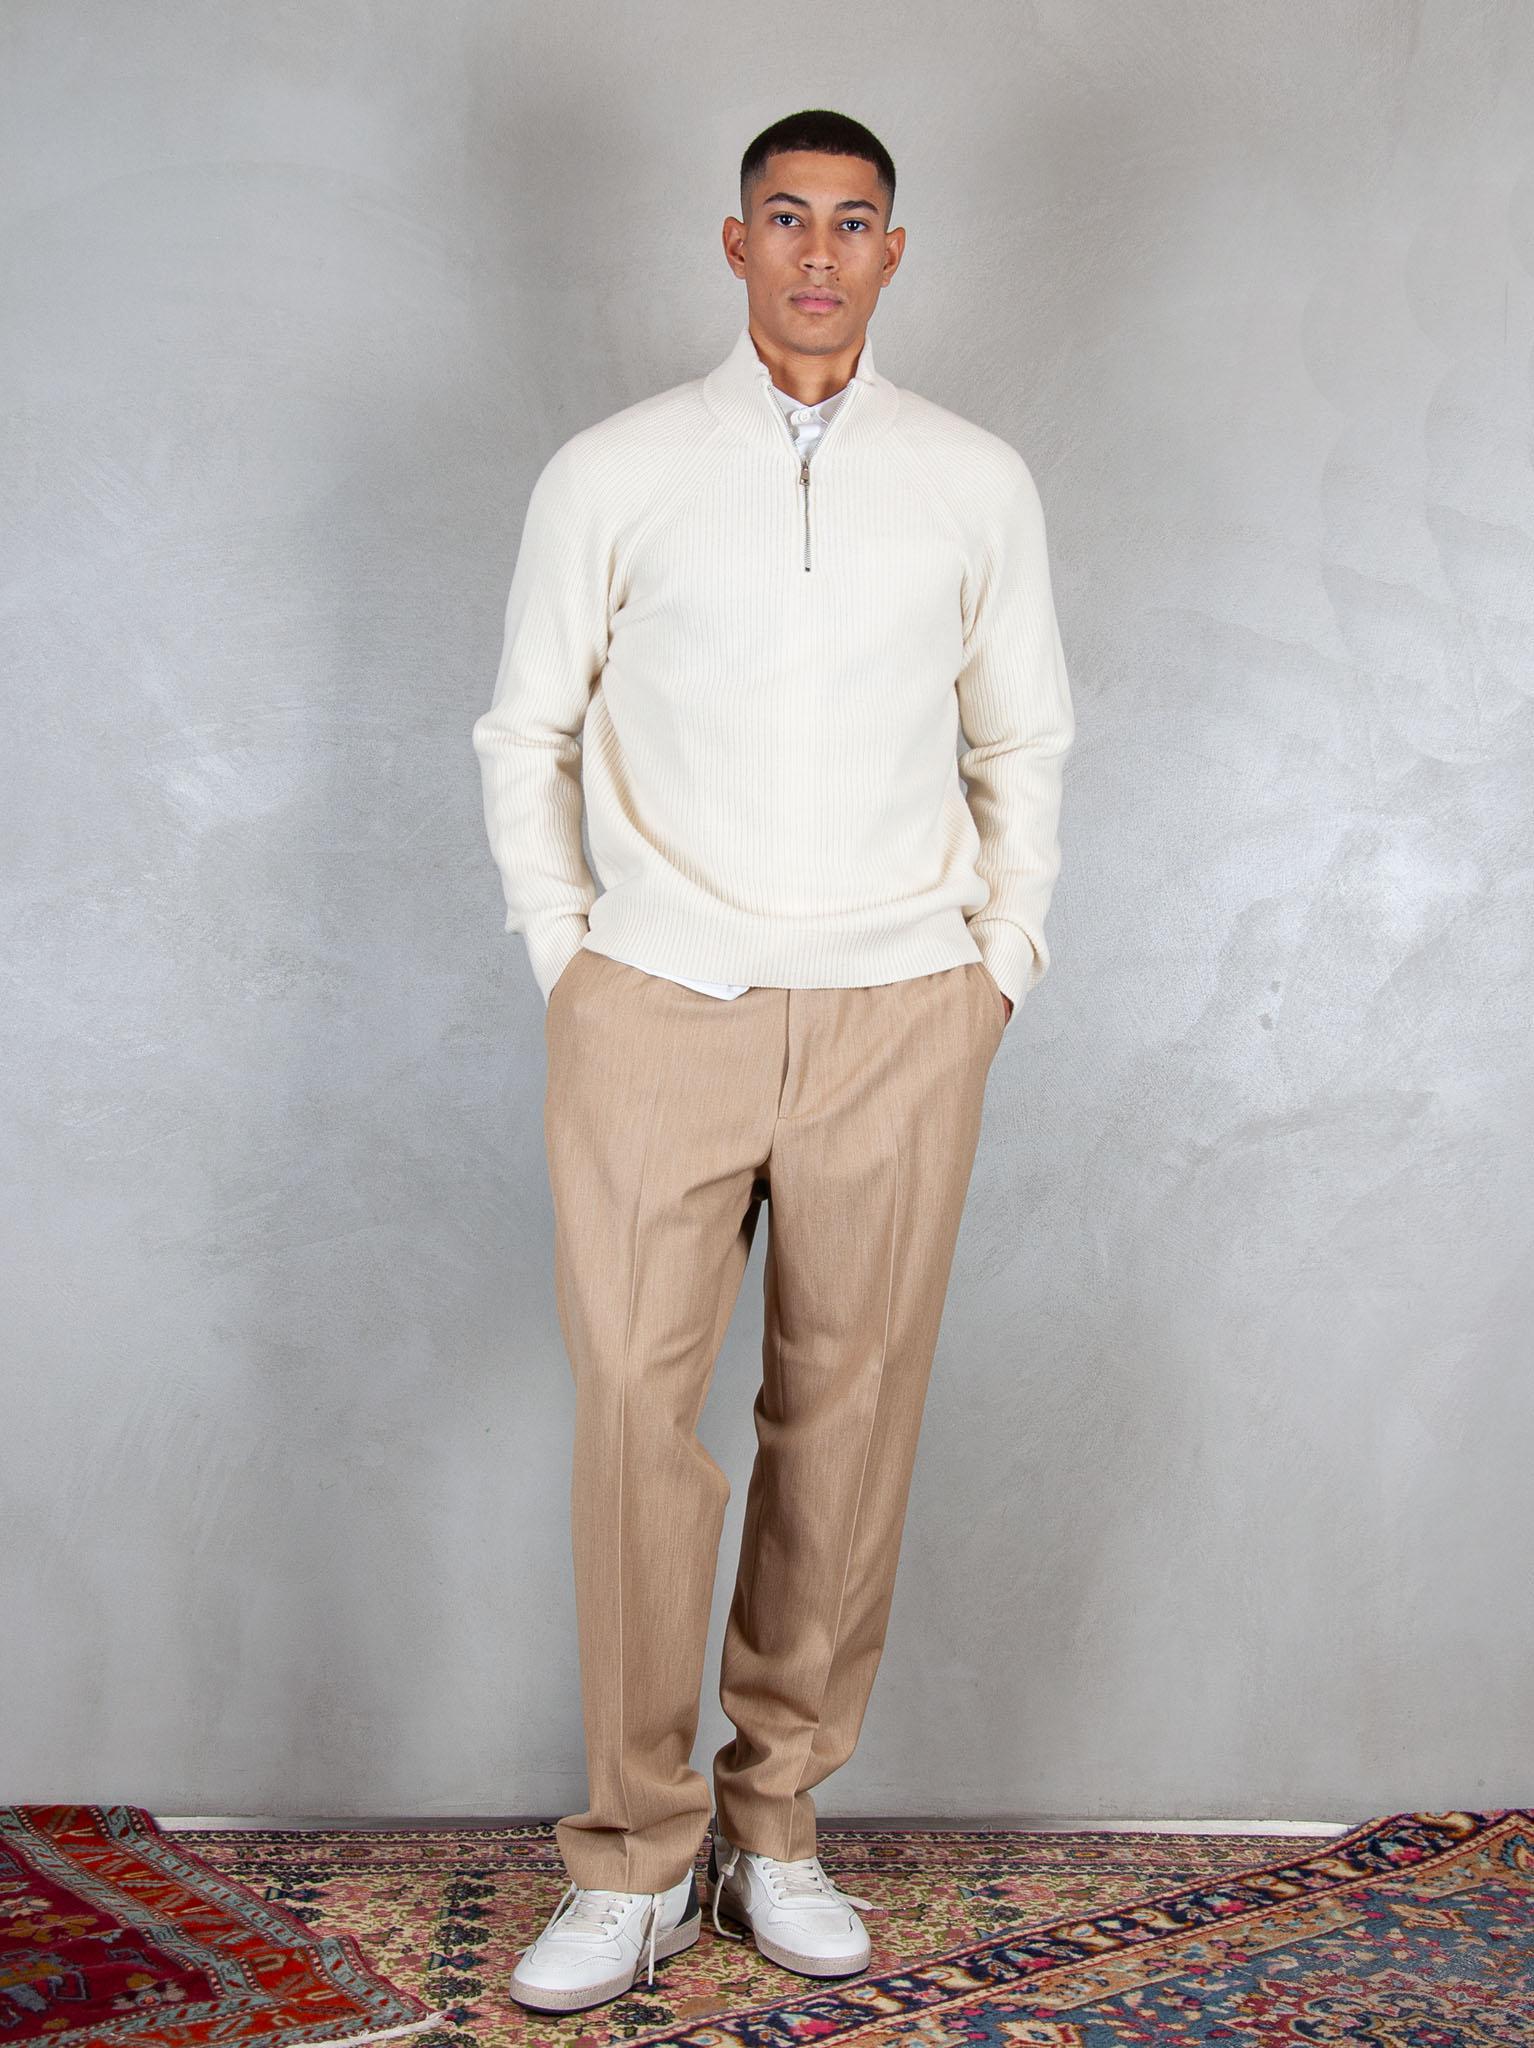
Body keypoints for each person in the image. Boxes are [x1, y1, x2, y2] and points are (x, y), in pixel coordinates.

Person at [472, 106, 1075, 2015]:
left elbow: (1022, 740)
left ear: (896, 251)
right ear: (731, 243)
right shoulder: (613, 470)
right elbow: (523, 730)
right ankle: (634, 1858)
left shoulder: (973, 479)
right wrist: (572, 957)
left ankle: (777, 1821)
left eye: (854, 221)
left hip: (902, 1009)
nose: (819, 251)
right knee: (634, 1423)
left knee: (847, 1417)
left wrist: (996, 967)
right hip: (655, 1001)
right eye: (786, 218)